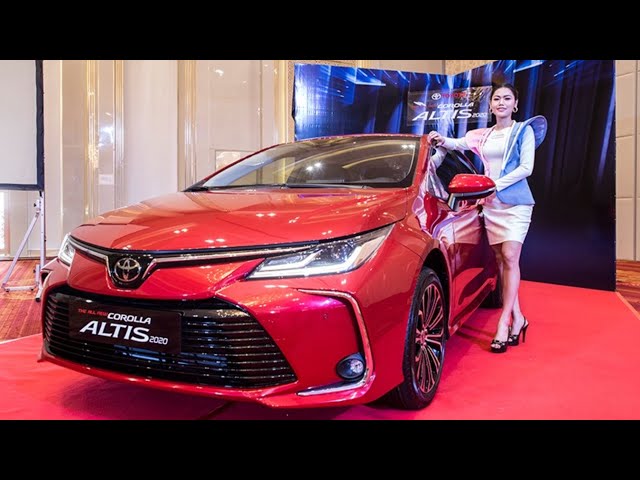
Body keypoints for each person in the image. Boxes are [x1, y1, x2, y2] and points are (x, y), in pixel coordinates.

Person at [428, 82, 547, 353]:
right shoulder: (482, 135)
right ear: (491, 105)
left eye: (507, 98)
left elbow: (526, 168)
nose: (501, 102)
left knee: (511, 257)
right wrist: (439, 139)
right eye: (497, 99)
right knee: (501, 261)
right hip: (490, 204)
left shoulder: (523, 131)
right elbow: (456, 144)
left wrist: (495, 185)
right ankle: (518, 318)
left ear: (515, 104)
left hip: (516, 204)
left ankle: (503, 322)